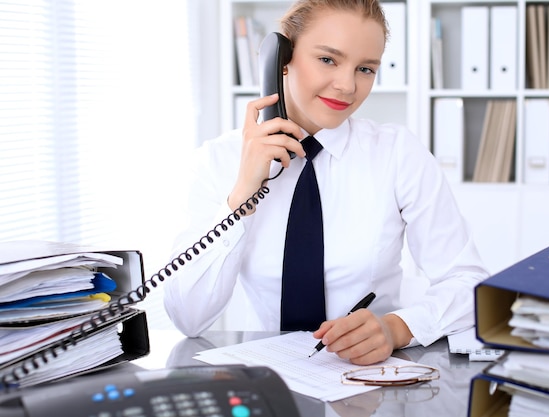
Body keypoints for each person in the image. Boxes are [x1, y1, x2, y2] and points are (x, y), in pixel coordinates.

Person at [164, 0, 489, 366]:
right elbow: (188, 318)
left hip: (369, 381)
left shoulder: (398, 153)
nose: (347, 86)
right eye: (328, 60)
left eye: (365, 68)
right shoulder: (218, 161)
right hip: (267, 381)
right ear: (279, 59)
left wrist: (396, 328)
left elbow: (470, 284)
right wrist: (242, 195)